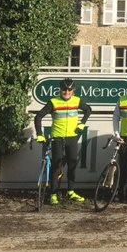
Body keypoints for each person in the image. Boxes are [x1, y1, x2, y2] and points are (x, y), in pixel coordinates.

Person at [34, 77, 92, 205]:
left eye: (70, 90)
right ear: (60, 90)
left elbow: (88, 110)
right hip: (57, 139)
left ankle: (70, 191)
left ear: (73, 91)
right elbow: (38, 117)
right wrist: (40, 134)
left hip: (72, 138)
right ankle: (53, 194)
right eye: (64, 90)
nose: (67, 92)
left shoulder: (77, 101)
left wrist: (82, 123)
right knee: (56, 167)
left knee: (72, 165)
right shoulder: (53, 102)